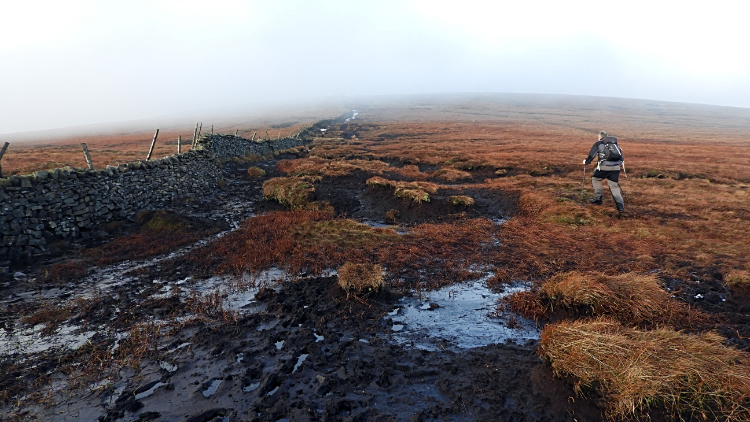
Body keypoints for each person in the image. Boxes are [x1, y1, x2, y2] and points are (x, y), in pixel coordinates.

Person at [583, 131, 625, 214]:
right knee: (614, 186)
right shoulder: (615, 144)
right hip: (616, 168)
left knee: (595, 179)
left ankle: (598, 199)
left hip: (604, 167)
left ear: (599, 137)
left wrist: (586, 161)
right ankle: (620, 207)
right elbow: (622, 158)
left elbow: (592, 155)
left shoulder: (599, 143)